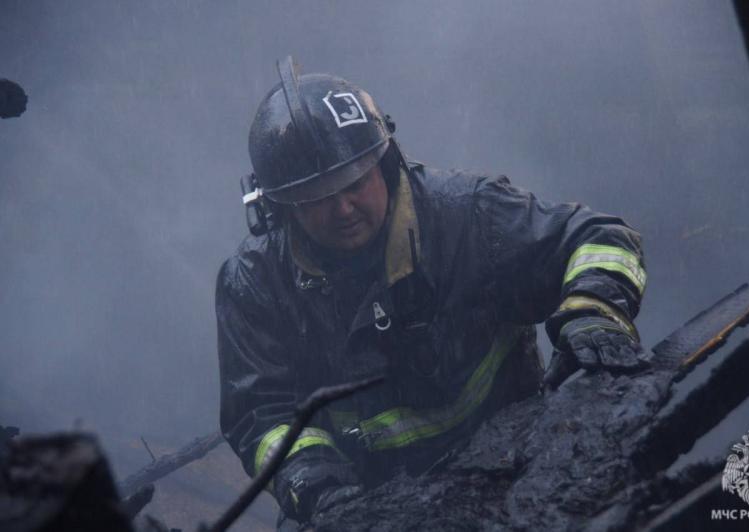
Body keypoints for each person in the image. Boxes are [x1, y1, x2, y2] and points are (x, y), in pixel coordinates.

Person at [216, 56, 649, 526]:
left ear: (386, 161)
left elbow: (599, 237)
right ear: (279, 208)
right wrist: (318, 489)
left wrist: (594, 310)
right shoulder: (253, 284)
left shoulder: (468, 218)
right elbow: (261, 415)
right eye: (317, 197)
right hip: (360, 507)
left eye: (355, 182)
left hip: (515, 468)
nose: (342, 207)